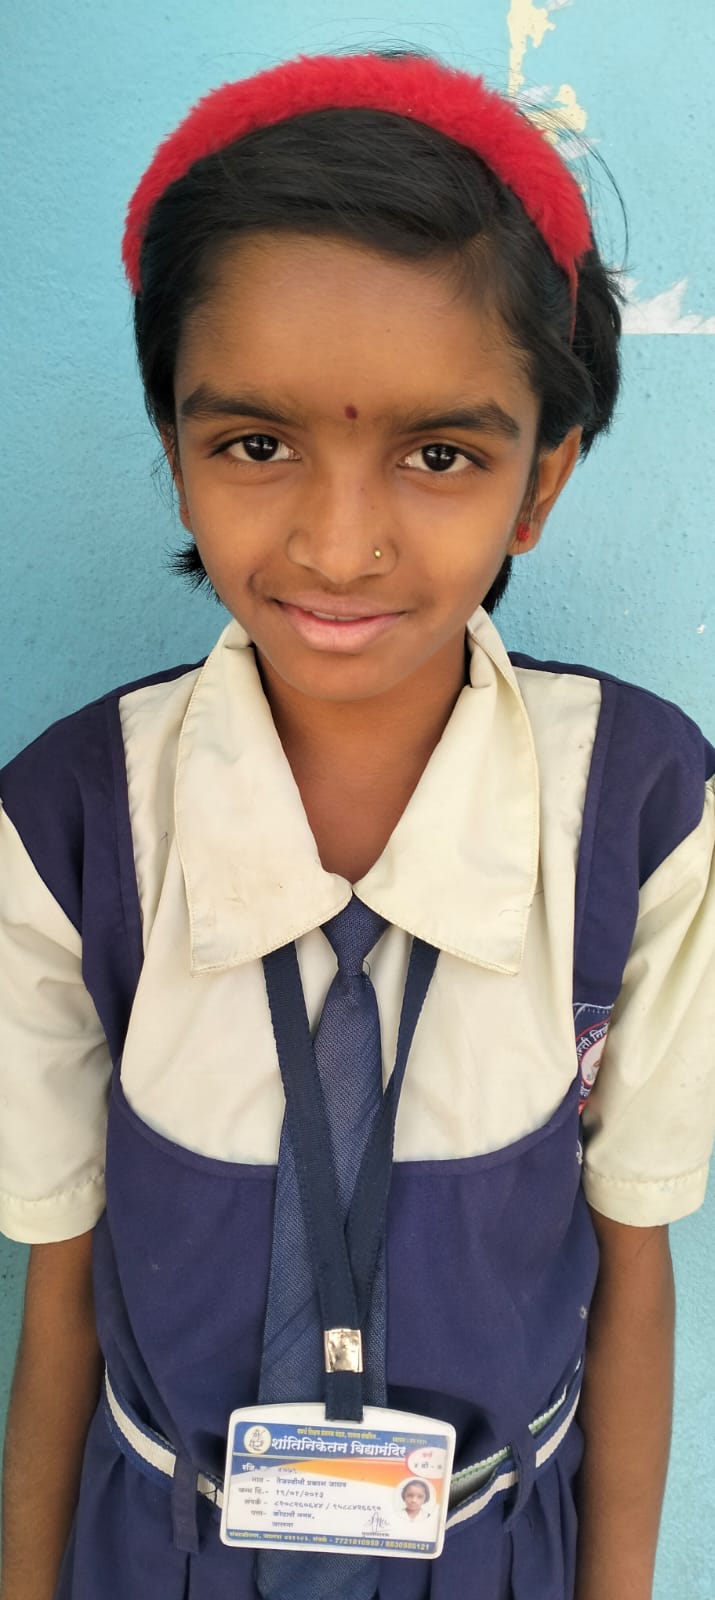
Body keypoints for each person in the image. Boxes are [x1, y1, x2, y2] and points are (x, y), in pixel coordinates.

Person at [0, 45, 713, 1600]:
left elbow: (633, 1278)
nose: (336, 545)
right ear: (177, 454)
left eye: (439, 455)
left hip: (495, 1561)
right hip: (157, 1556)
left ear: (542, 480)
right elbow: (57, 1289)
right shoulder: (68, 829)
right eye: (255, 445)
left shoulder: (645, 814)